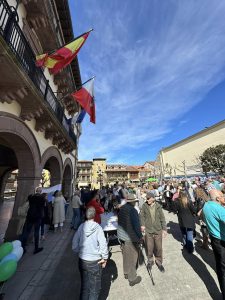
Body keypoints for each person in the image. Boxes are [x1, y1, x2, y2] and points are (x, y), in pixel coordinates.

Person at [72, 207, 108, 300]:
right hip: (94, 261)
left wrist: (78, 251)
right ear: (94, 215)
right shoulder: (98, 228)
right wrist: (104, 258)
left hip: (83, 260)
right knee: (94, 289)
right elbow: (103, 244)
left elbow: (74, 243)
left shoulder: (81, 227)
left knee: (85, 287)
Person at [203, 190, 225, 298]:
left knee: (220, 268)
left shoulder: (206, 205)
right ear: (217, 198)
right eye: (222, 196)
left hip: (214, 238)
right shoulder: (219, 209)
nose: (224, 197)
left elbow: (200, 216)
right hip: (222, 241)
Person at [117, 193, 142, 286]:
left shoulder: (122, 208)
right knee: (132, 257)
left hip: (122, 235)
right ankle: (132, 278)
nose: (135, 203)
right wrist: (140, 236)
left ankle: (126, 273)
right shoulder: (133, 211)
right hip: (130, 237)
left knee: (126, 256)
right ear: (133, 202)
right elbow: (136, 226)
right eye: (135, 201)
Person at [140, 192, 167, 272]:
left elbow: (162, 218)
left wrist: (164, 229)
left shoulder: (158, 206)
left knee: (158, 247)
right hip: (148, 230)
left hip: (158, 229)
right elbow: (142, 216)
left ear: (153, 198)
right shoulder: (144, 206)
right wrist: (142, 225)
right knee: (149, 247)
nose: (147, 200)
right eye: (146, 198)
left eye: (148, 198)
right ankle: (150, 260)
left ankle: (159, 261)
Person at [21, 187, 45, 254]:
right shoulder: (42, 198)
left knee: (26, 232)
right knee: (36, 232)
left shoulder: (30, 197)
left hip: (30, 216)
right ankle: (36, 248)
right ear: (40, 191)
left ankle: (23, 247)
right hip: (38, 217)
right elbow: (42, 207)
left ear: (36, 191)